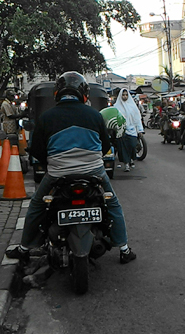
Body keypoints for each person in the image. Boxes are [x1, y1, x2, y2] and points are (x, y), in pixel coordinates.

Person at [6, 71, 136, 264]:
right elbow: (106, 146)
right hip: (94, 173)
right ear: (83, 93)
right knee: (112, 204)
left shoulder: (46, 117)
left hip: (58, 173)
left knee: (36, 206)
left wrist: (53, 161)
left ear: (58, 93)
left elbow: (38, 151)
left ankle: (24, 249)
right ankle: (124, 250)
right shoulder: (95, 115)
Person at [114, 89, 144, 172]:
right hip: (121, 130)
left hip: (132, 130)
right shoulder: (116, 107)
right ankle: (126, 164)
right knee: (123, 148)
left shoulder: (133, 106)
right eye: (123, 95)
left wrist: (140, 130)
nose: (125, 96)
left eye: (126, 95)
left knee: (132, 145)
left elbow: (137, 118)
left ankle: (131, 159)